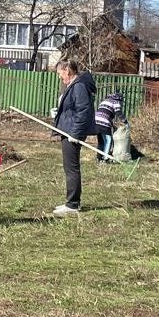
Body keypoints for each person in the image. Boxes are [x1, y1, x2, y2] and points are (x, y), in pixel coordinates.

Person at [51, 58, 97, 216]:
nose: (59, 77)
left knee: (71, 168)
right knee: (69, 167)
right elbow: (72, 110)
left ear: (67, 71)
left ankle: (72, 204)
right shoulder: (74, 86)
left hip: (72, 133)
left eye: (60, 73)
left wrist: (75, 134)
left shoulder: (78, 87)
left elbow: (83, 111)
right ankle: (71, 202)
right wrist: (59, 114)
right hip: (68, 130)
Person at [92, 91, 127, 162]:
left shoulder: (105, 101)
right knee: (108, 140)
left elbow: (105, 112)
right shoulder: (116, 102)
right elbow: (119, 113)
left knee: (101, 141)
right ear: (119, 99)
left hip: (95, 121)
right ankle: (105, 158)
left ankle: (99, 158)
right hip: (104, 122)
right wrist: (125, 122)